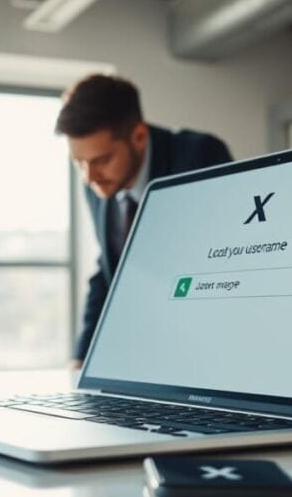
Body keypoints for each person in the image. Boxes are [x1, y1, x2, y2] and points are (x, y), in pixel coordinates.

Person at [57, 74, 232, 368]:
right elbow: (109, 268)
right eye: (79, 163)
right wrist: (82, 356)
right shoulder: (98, 183)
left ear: (138, 136)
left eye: (101, 160)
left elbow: (222, 265)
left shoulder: (198, 155)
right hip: (141, 357)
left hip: (204, 354)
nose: (89, 177)